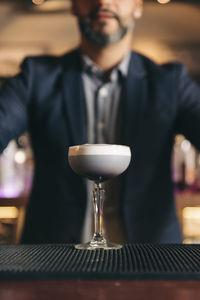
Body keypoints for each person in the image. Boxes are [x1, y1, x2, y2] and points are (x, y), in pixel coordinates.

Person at [0, 0, 200, 244]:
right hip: (53, 259)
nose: (104, 1)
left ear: (138, 6)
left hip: (151, 258)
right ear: (74, 6)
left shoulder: (170, 82)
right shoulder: (36, 77)